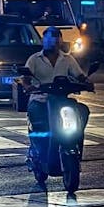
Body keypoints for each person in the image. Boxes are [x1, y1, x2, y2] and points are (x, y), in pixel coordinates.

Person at [23, 27, 88, 175]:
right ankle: (38, 151)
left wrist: (87, 82)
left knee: (83, 110)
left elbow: (79, 75)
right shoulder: (34, 59)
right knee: (39, 125)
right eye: (48, 39)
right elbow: (25, 79)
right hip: (40, 100)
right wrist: (28, 86)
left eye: (55, 39)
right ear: (43, 41)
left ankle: (76, 146)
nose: (52, 43)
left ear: (60, 41)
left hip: (61, 100)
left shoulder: (67, 59)